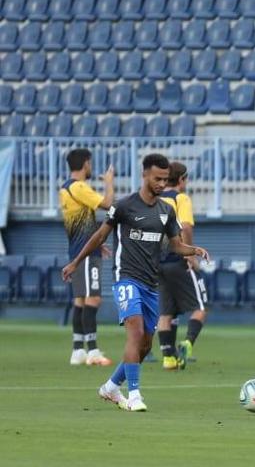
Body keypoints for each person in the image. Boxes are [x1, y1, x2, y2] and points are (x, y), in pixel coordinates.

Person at [61, 154, 210, 412]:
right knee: (136, 331)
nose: (162, 184)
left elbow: (175, 245)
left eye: (165, 179)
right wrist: (76, 262)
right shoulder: (124, 206)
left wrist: (193, 249)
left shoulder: (167, 211)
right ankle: (135, 395)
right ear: (144, 175)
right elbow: (99, 236)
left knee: (144, 345)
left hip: (151, 284)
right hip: (126, 278)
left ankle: (110, 387)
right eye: (157, 179)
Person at [60, 148, 115, 366]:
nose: (91, 168)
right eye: (90, 163)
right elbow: (109, 205)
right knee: (93, 298)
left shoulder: (64, 188)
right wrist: (109, 182)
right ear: (85, 163)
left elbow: (81, 220)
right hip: (85, 254)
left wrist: (97, 244)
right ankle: (92, 351)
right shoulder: (79, 187)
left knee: (80, 300)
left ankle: (77, 350)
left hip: (78, 249)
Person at [155, 162, 208, 370]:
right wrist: (190, 254)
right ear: (182, 179)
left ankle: (168, 358)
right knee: (200, 308)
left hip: (158, 262)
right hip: (178, 260)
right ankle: (187, 343)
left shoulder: (156, 200)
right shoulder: (181, 198)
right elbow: (185, 226)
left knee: (166, 312)